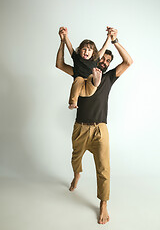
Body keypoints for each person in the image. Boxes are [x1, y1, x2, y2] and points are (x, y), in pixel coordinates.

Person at [56, 26, 133, 224]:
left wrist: (114, 41)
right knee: (75, 158)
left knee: (104, 168)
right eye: (103, 59)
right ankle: (77, 174)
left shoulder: (109, 77)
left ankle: (103, 203)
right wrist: (62, 40)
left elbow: (128, 62)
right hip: (81, 126)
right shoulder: (81, 72)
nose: (105, 62)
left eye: (108, 61)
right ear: (95, 59)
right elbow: (59, 64)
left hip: (100, 129)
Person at [63, 27, 111, 109]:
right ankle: (73, 103)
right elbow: (69, 47)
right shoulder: (76, 58)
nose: (86, 52)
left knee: (91, 77)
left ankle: (97, 78)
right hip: (80, 89)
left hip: (90, 87)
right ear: (79, 50)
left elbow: (104, 47)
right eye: (84, 49)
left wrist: (109, 36)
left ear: (93, 53)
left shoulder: (95, 60)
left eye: (89, 50)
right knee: (79, 79)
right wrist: (65, 36)